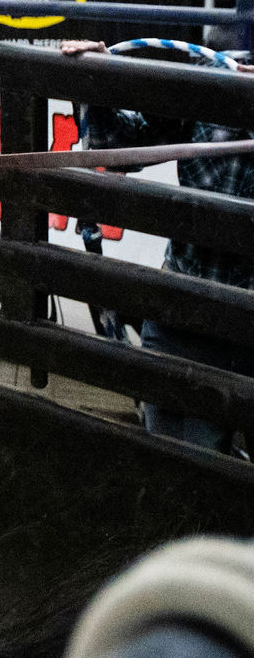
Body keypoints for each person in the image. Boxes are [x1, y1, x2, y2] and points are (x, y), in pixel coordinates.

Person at [61, 37, 253, 458]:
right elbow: (116, 145)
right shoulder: (215, 84)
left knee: (204, 463)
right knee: (176, 456)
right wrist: (101, 76)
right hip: (184, 310)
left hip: (238, 324)